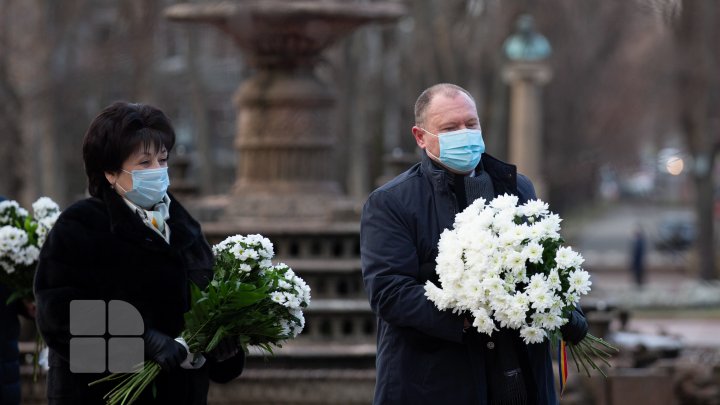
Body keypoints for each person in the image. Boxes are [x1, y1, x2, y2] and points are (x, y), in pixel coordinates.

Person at [360, 83, 588, 405]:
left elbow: (545, 262)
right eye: (450, 128)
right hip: (437, 383)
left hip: (521, 379)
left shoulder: (518, 187)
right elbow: (388, 291)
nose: (464, 134)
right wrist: (472, 315)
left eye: (471, 124)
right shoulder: (391, 202)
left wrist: (565, 309)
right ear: (421, 136)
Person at [34, 102, 244, 405]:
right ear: (109, 171)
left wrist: (225, 345)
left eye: (162, 159)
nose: (158, 171)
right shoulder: (81, 225)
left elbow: (208, 303)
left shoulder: (185, 228)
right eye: (144, 163)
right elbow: (57, 315)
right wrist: (142, 340)